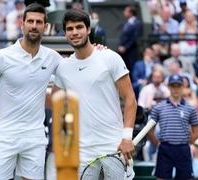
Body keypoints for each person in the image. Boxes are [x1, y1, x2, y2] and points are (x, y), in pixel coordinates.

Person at [0, 3, 62, 179]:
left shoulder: (53, 58)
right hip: (4, 137)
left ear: (45, 27)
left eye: (39, 22)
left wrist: (98, 51)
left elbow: (79, 66)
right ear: (22, 24)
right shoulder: (1, 57)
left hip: (35, 138)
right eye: (30, 21)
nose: (34, 25)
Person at [53, 9, 137, 177]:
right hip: (80, 151)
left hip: (113, 145)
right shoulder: (62, 68)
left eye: (79, 27)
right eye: (70, 29)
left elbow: (130, 99)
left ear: (89, 29)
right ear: (65, 33)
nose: (75, 32)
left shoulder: (109, 58)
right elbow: (58, 107)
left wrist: (127, 137)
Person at [148, 74, 198, 179]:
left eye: (178, 86)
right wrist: (157, 143)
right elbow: (150, 130)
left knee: (185, 177)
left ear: (183, 87)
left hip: (183, 148)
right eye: (173, 86)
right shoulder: (158, 108)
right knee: (162, 177)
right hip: (165, 147)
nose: (175, 89)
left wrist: (188, 143)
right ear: (168, 87)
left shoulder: (190, 109)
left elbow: (197, 132)